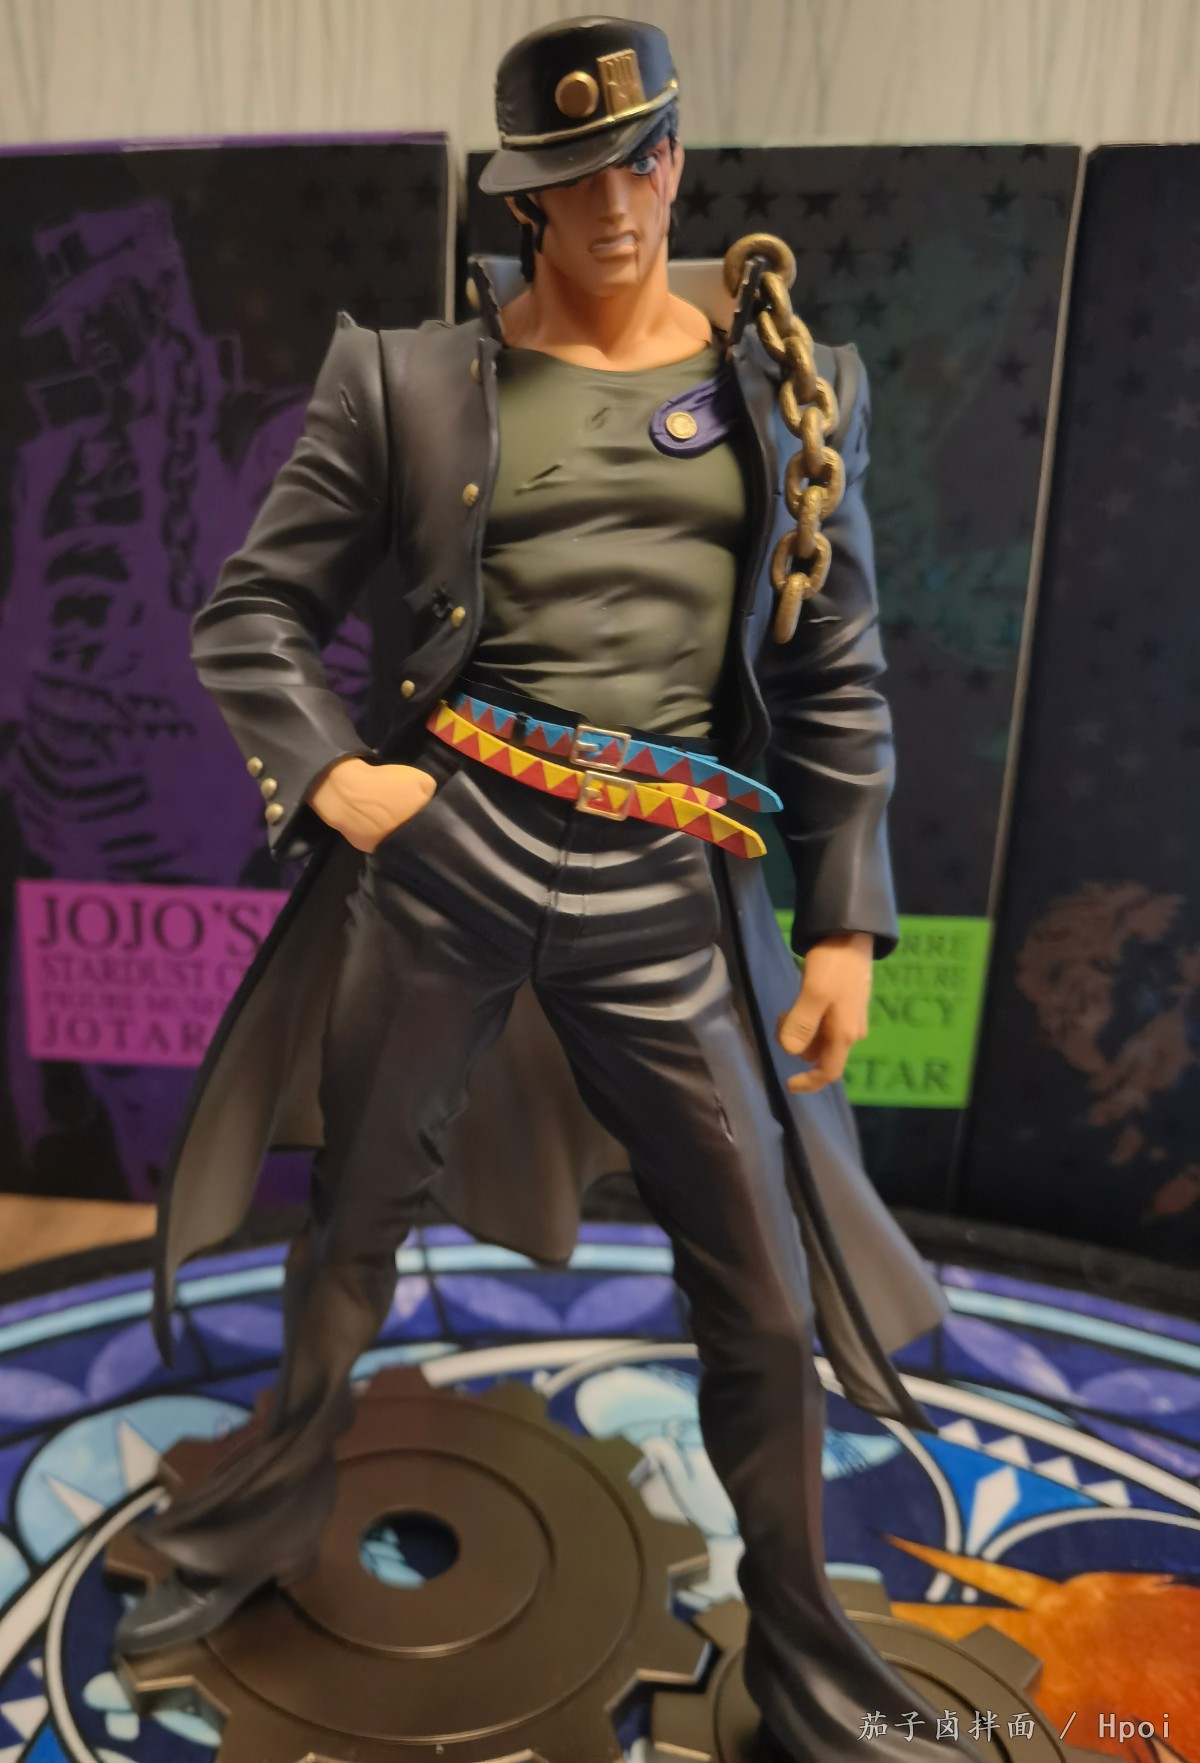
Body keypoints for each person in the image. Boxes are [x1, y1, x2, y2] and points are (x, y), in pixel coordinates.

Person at [117, 17, 984, 1761]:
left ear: (679, 158)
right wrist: (342, 779)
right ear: (524, 197)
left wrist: (842, 918)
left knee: (760, 1287)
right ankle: (264, 1514)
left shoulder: (790, 388)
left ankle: (806, 1661)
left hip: (670, 886)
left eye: (641, 158)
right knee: (349, 1223)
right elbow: (252, 614)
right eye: (577, 173)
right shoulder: (410, 381)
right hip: (452, 854)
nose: (617, 201)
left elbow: (836, 670)